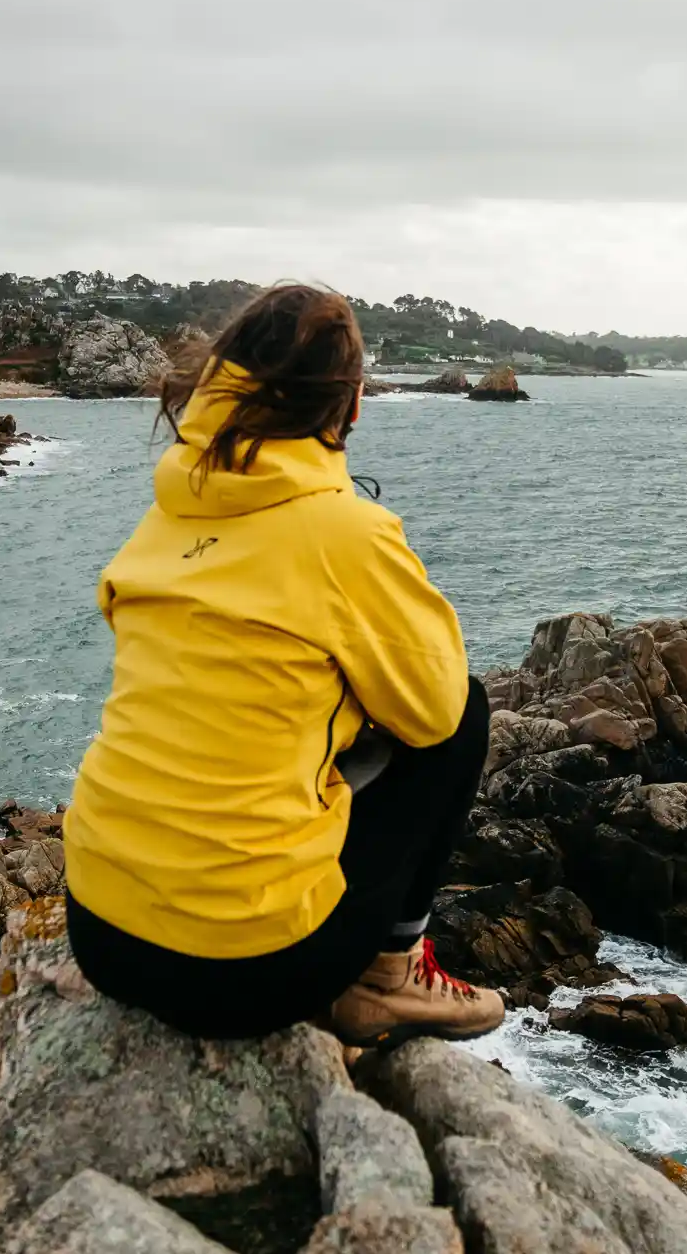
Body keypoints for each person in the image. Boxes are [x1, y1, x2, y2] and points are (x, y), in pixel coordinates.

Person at [63, 282, 505, 1048]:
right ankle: (386, 979)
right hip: (243, 972)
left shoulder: (165, 515)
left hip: (99, 931)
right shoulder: (345, 533)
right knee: (462, 714)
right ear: (352, 403)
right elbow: (433, 711)